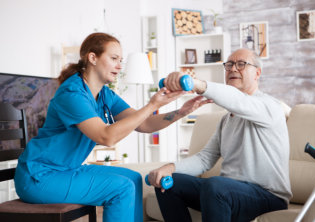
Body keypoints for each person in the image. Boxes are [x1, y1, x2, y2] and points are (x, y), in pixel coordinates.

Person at [14, 32, 212, 222]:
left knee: (133, 179)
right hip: (39, 177)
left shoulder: (104, 94)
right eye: (114, 58)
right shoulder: (72, 94)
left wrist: (180, 112)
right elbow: (106, 137)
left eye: (121, 61)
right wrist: (152, 104)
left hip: (66, 170)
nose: (119, 66)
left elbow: (144, 123)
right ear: (92, 57)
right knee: (121, 188)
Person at [147, 48, 292, 222]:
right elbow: (205, 158)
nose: (233, 69)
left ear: (257, 73)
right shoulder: (226, 120)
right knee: (168, 183)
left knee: (215, 185)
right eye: (229, 64)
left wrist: (196, 84)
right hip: (228, 192)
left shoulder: (270, 107)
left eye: (241, 64)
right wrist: (169, 168)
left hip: (268, 196)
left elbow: (238, 101)